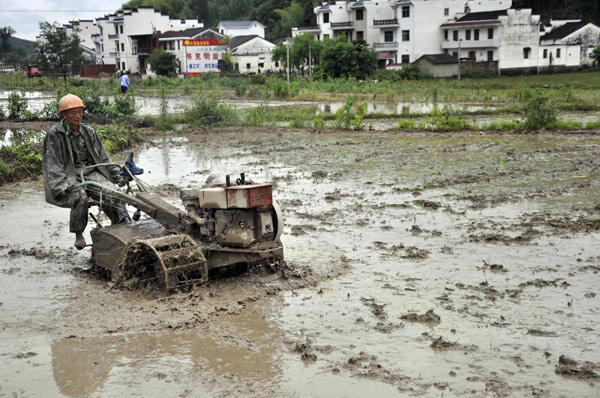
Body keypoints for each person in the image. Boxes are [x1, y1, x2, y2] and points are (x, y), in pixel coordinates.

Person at [42, 94, 129, 250]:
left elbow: (103, 156)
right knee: (79, 197)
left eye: (80, 112)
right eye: (73, 113)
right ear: (64, 114)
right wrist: (59, 185)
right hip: (69, 174)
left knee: (112, 193)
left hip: (89, 171)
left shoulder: (89, 131)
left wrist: (116, 175)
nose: (77, 116)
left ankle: (122, 225)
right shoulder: (55, 134)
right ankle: (78, 233)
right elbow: (52, 162)